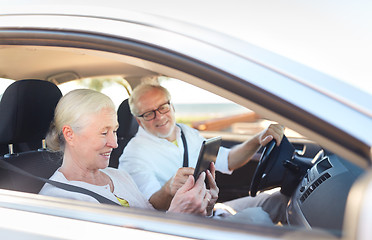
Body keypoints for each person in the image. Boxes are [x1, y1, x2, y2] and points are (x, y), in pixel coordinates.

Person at [118, 82, 288, 224]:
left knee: (280, 200)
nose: (159, 116)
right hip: (182, 224)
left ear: (172, 106)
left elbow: (228, 160)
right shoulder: (133, 155)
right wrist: (169, 189)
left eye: (163, 107)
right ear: (139, 121)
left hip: (209, 209)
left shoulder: (185, 132)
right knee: (257, 218)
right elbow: (150, 206)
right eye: (149, 114)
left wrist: (258, 139)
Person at [39, 89, 217, 217]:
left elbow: (151, 219)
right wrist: (177, 215)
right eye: (103, 133)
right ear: (70, 134)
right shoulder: (61, 201)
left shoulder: (119, 176)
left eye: (114, 131)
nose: (114, 143)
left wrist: (201, 207)